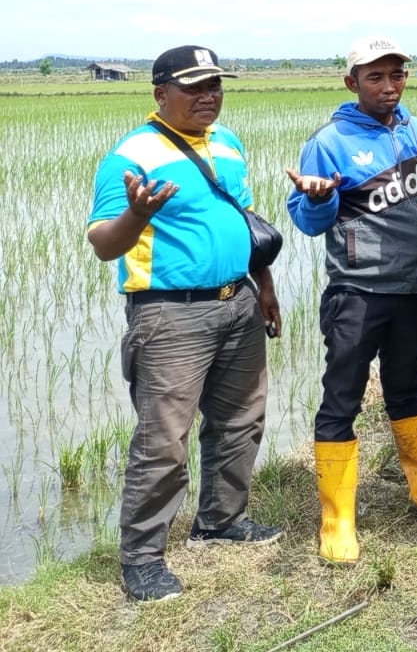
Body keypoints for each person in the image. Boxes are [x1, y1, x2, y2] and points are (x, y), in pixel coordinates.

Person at [87, 45, 283, 603]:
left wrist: (263, 285)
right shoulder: (131, 154)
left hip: (237, 302)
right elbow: (104, 244)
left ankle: (220, 522)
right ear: (160, 93)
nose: (209, 96)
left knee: (241, 419)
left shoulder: (228, 142)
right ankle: (143, 559)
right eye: (194, 87)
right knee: (163, 440)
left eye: (215, 84)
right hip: (170, 315)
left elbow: (244, 219)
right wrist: (137, 214)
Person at [286, 35, 417, 565]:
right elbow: (310, 223)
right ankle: (337, 519)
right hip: (359, 292)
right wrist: (319, 198)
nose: (388, 86)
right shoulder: (330, 141)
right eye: (375, 77)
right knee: (343, 397)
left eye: (397, 75)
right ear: (351, 82)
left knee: (406, 385)